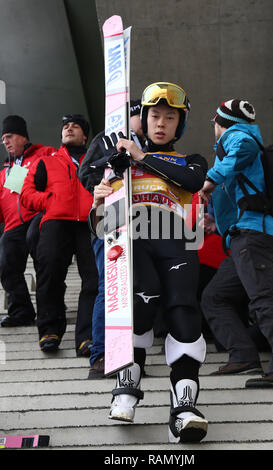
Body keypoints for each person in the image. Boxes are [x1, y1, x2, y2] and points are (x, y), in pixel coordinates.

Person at [92, 82, 208, 443]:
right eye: (154, 115)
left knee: (185, 313)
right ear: (143, 118)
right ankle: (125, 391)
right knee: (142, 302)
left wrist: (141, 157)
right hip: (135, 237)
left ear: (180, 125)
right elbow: (100, 226)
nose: (161, 123)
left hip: (176, 240)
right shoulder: (118, 167)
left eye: (170, 118)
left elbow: (192, 180)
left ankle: (184, 409)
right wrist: (98, 202)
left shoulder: (190, 160)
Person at [200, 99, 273, 388]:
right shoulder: (233, 152)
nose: (214, 128)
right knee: (214, 297)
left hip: (255, 235)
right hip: (244, 236)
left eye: (214, 123)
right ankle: (243, 354)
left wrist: (209, 180)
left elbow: (243, 146)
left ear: (221, 122)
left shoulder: (237, 137)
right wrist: (214, 224)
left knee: (263, 296)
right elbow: (238, 197)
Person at [20, 114, 98, 355]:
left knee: (94, 279)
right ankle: (49, 330)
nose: (68, 129)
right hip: (55, 222)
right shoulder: (46, 161)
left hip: (89, 223)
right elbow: (26, 194)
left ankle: (87, 336)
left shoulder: (97, 161)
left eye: (75, 126)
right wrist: (48, 201)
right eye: (65, 126)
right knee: (49, 274)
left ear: (85, 135)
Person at [78, 100, 145, 379]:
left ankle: (132, 355)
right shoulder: (106, 138)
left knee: (139, 287)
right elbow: (86, 173)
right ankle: (101, 354)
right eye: (144, 114)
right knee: (110, 284)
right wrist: (114, 165)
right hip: (111, 218)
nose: (152, 120)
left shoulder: (149, 145)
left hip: (143, 222)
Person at [0, 115, 55, 327]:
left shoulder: (45, 154)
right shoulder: (4, 170)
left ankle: (51, 306)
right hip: (13, 225)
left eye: (10, 136)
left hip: (37, 216)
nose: (5, 141)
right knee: (6, 264)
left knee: (45, 263)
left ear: (23, 137)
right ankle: (21, 311)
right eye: (3, 138)